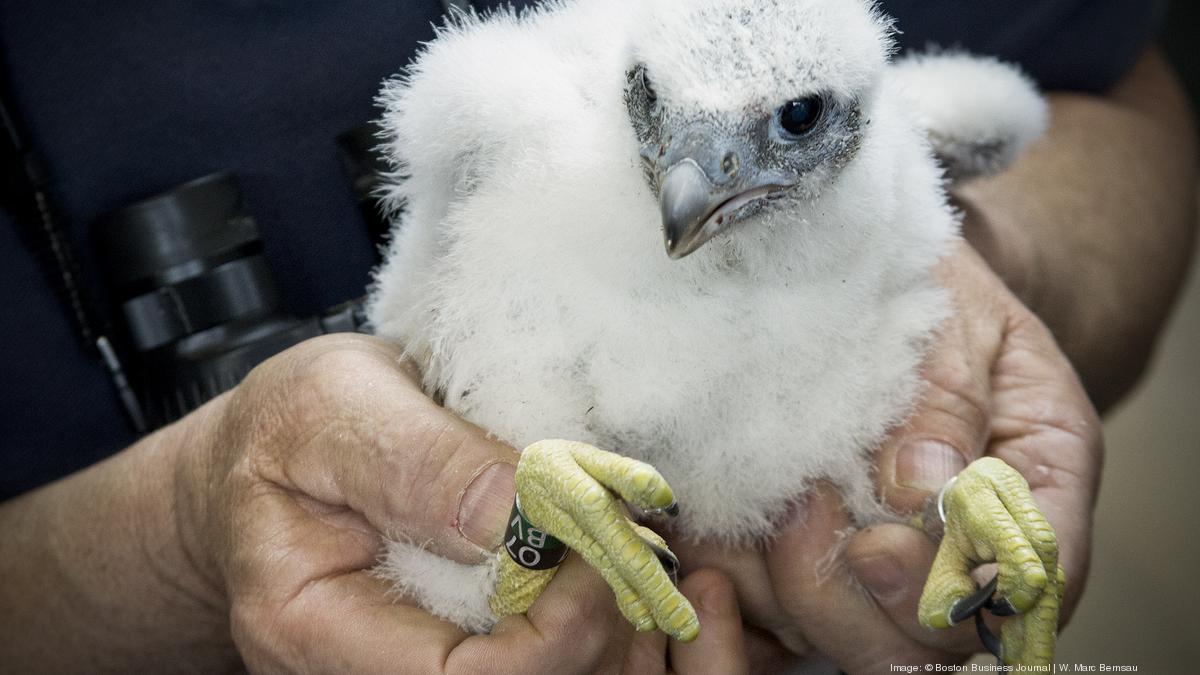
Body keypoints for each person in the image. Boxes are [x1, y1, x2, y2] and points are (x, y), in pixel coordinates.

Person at [0, 0, 1194, 672]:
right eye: (660, 127)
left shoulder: (868, 132)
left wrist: (992, 264)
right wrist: (179, 533)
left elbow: (1113, 94)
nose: (690, 185)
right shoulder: (511, 108)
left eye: (788, 126)